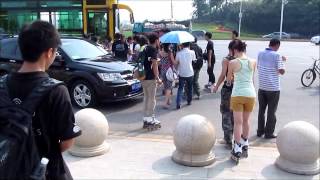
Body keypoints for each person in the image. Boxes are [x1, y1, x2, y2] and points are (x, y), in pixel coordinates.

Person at [4, 20, 81, 179]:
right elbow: (67, 142)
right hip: (46, 171)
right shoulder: (57, 91)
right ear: (49, 52)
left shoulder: (2, 85)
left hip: (9, 169)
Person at [227, 39, 256, 162]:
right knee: (246, 121)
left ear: (235, 50)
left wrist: (232, 78)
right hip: (251, 94)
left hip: (238, 94)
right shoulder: (253, 61)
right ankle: (245, 144)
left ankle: (237, 148)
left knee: (238, 123)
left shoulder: (233, 62)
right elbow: (252, 79)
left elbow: (229, 80)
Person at [257, 39, 286, 139]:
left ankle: (260, 131)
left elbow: (258, 67)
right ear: (277, 45)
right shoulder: (277, 55)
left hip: (262, 87)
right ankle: (269, 133)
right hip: (273, 88)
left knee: (261, 110)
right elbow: (282, 71)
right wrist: (282, 61)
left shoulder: (260, 53)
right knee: (271, 111)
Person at [212, 41, 236, 148]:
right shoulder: (243, 59)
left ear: (230, 49)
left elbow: (223, 75)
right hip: (240, 89)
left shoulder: (227, 59)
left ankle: (227, 139)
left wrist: (216, 86)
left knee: (226, 112)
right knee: (237, 114)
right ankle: (237, 139)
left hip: (228, 89)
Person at [141, 33, 162, 129]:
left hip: (142, 76)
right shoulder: (153, 49)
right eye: (159, 40)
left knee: (146, 97)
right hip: (150, 77)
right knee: (152, 99)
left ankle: (146, 118)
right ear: (156, 40)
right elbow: (154, 65)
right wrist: (157, 78)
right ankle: (150, 119)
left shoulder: (144, 48)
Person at [173, 42, 196, 109]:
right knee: (190, 87)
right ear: (189, 45)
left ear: (182, 45)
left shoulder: (178, 53)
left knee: (180, 88)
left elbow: (176, 63)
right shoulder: (192, 52)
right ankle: (189, 101)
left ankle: (178, 103)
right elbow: (194, 61)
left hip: (182, 73)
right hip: (190, 72)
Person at [159, 43, 175, 109]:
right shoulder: (169, 52)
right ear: (168, 45)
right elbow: (173, 62)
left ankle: (168, 101)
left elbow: (159, 62)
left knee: (166, 86)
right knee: (169, 87)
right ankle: (165, 103)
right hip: (169, 70)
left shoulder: (160, 52)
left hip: (162, 70)